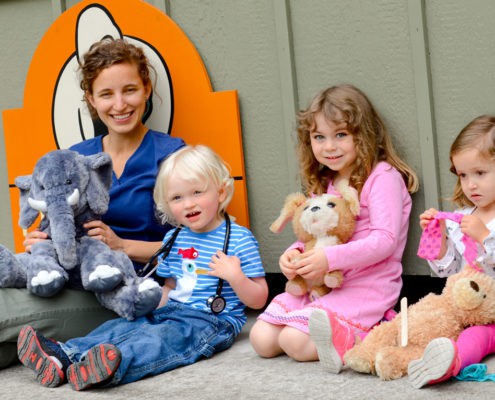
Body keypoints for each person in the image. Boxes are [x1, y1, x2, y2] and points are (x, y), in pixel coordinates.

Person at [16, 145, 268, 390]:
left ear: (221, 193)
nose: (189, 204)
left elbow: (258, 298)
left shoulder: (238, 239)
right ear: (167, 205)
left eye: (198, 192)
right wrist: (145, 308)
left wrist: (235, 277)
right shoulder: (174, 239)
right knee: (124, 326)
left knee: (160, 340)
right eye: (177, 198)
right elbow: (170, 287)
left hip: (210, 321)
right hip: (172, 309)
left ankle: (111, 366)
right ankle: (64, 355)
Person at [0, 38, 184, 368]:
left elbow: (197, 244)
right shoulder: (77, 156)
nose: (120, 104)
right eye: (106, 94)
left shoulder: (170, 154)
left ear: (146, 89)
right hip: (67, 281)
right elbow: (51, 215)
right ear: (91, 99)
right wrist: (37, 242)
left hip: (123, 292)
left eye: (129, 89)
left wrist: (123, 245)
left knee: (4, 311)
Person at [249, 84, 419, 373]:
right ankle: (321, 326)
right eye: (319, 137)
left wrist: (329, 259)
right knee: (261, 339)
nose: (329, 146)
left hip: (366, 286)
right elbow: (318, 236)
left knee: (294, 341)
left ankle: (370, 333)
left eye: (340, 135)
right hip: (323, 283)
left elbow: (385, 240)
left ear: (363, 135)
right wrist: (294, 256)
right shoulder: (328, 181)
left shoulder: (382, 177)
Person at [408, 115, 495, 388]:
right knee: (442, 327)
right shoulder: (462, 218)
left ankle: (448, 363)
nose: (470, 184)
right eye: (463, 175)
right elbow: (453, 273)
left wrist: (485, 237)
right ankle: (430, 359)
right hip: (469, 312)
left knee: (478, 338)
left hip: (491, 313)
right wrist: (441, 238)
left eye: (480, 173)